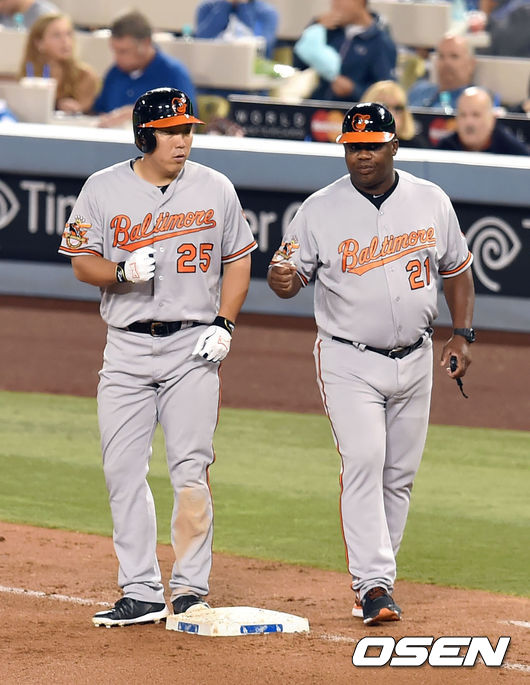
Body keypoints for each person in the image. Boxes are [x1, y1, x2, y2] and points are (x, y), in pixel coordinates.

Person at [267, 102, 475, 625]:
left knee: (399, 475)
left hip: (417, 356)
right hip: (348, 358)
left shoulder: (430, 200)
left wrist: (462, 334)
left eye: (373, 145)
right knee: (363, 461)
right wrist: (281, 280)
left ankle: (379, 579)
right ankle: (374, 585)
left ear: (394, 146)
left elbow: (457, 270)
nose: (362, 155)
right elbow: (289, 277)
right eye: (354, 146)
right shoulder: (319, 209)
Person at [58, 87, 257, 627]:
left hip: (192, 347)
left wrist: (225, 323)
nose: (182, 141)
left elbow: (239, 259)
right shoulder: (103, 188)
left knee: (190, 469)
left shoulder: (215, 187)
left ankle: (190, 589)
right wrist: (121, 272)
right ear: (145, 137)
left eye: (187, 130)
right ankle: (142, 590)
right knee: (122, 470)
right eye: (171, 132)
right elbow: (81, 262)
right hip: (125, 347)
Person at [92, 11, 197, 129]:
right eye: (114, 51)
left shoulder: (174, 74)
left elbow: (188, 125)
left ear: (146, 43)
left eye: (123, 51)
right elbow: (99, 113)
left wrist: (143, 115)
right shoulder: (114, 73)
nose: (116, 58)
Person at [292, 0, 397, 103]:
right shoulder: (330, 29)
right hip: (317, 105)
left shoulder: (380, 41)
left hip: (353, 110)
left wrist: (353, 90)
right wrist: (316, 26)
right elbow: (298, 64)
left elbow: (387, 91)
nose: (335, 4)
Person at [19, 13, 99, 114]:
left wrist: (75, 108)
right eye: (57, 35)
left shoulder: (85, 76)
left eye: (69, 34)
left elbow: (85, 112)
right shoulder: (30, 75)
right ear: (39, 43)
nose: (65, 41)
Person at [408, 33, 499, 109]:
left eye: (454, 56)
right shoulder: (418, 91)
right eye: (441, 56)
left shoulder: (479, 99)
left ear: (471, 64)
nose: (446, 62)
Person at [436, 86, 529, 154]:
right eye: (463, 115)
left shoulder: (514, 153)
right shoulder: (444, 150)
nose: (468, 122)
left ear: (492, 119)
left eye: (476, 115)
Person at [195, 0, 279, 59]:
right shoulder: (207, 7)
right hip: (212, 66)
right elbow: (201, 41)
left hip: (252, 70)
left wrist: (243, 7)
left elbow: (262, 48)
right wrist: (224, 6)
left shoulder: (267, 12)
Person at [361, 80, 431, 148]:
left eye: (398, 108)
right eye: (383, 107)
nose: (391, 114)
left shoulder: (417, 147)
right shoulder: (356, 145)